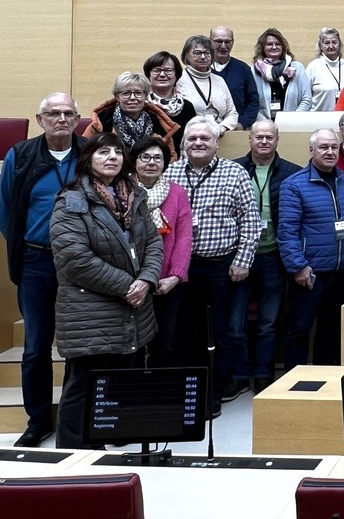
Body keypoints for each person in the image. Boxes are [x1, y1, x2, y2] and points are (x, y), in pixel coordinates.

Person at [50, 133, 162, 449]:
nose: (111, 156)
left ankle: (108, 452)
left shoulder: (134, 195)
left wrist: (148, 280)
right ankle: (74, 458)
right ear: (88, 159)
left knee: (118, 387)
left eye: (117, 152)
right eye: (103, 151)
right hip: (91, 311)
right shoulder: (72, 199)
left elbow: (153, 242)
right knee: (84, 387)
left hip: (133, 308)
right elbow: (75, 259)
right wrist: (129, 285)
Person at [0, 93, 86, 447]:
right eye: (54, 113)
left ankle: (73, 420)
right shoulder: (19, 156)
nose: (61, 119)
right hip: (36, 261)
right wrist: (24, 247)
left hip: (82, 263)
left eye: (68, 113)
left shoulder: (91, 153)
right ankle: (38, 422)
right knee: (36, 346)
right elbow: (7, 212)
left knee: (80, 346)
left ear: (78, 118)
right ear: (40, 119)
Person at [162, 116, 260, 419]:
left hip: (222, 267)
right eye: (192, 139)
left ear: (217, 143)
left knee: (220, 333)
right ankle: (189, 392)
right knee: (182, 332)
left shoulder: (235, 173)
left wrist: (242, 261)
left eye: (205, 138)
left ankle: (212, 394)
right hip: (181, 269)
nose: (198, 143)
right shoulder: (171, 172)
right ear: (183, 143)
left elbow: (251, 222)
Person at [231, 120, 302, 395]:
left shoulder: (291, 173)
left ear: (277, 140)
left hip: (273, 257)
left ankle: (262, 373)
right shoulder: (233, 169)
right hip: (238, 257)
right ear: (249, 139)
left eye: (269, 137)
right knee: (235, 322)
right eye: (258, 137)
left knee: (268, 322)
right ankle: (238, 374)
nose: (263, 141)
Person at [278, 129, 344, 369]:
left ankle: (327, 380)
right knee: (299, 329)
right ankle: (294, 382)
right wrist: (298, 267)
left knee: (332, 329)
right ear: (311, 150)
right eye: (324, 147)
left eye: (334, 147)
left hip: (341, 273)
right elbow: (287, 231)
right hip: (309, 274)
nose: (330, 152)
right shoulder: (294, 185)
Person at [131, 136, 192, 371]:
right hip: (131, 283)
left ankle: (160, 398)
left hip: (167, 282)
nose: (151, 162)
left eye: (158, 158)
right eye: (144, 157)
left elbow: (185, 237)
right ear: (134, 161)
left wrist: (175, 276)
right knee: (133, 344)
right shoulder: (122, 191)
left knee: (165, 344)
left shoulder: (176, 193)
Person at [82, 72, 181, 161]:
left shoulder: (160, 124)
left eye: (138, 93)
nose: (132, 98)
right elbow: (84, 153)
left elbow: (170, 158)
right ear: (117, 97)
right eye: (126, 93)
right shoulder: (102, 122)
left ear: (145, 96)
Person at [178, 35, 240, 135]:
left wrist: (222, 127)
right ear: (187, 56)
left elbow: (232, 113)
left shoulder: (219, 80)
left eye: (207, 53)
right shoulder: (178, 80)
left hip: (220, 138)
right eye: (197, 53)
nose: (203, 57)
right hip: (191, 137)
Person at [143, 51, 199, 156]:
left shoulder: (187, 107)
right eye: (157, 70)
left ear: (176, 74)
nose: (162, 74)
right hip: (149, 162)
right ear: (148, 74)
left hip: (181, 164)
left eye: (168, 70)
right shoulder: (142, 105)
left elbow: (193, 138)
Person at [251, 28, 313, 120]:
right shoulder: (255, 71)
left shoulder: (297, 68)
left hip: (293, 125)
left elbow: (306, 99)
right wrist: (266, 124)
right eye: (269, 44)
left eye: (278, 44)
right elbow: (252, 103)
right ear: (262, 47)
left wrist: (292, 121)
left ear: (283, 47)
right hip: (264, 127)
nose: (274, 47)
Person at [210, 26, 259, 130]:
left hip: (236, 129)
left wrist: (242, 123)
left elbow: (253, 101)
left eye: (227, 42)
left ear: (233, 43)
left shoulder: (243, 69)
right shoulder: (202, 69)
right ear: (210, 42)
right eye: (218, 41)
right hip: (206, 129)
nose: (223, 46)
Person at [307, 27, 344, 112]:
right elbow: (305, 96)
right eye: (327, 43)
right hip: (319, 118)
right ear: (321, 46)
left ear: (339, 44)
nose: (331, 46)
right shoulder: (313, 66)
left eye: (334, 42)